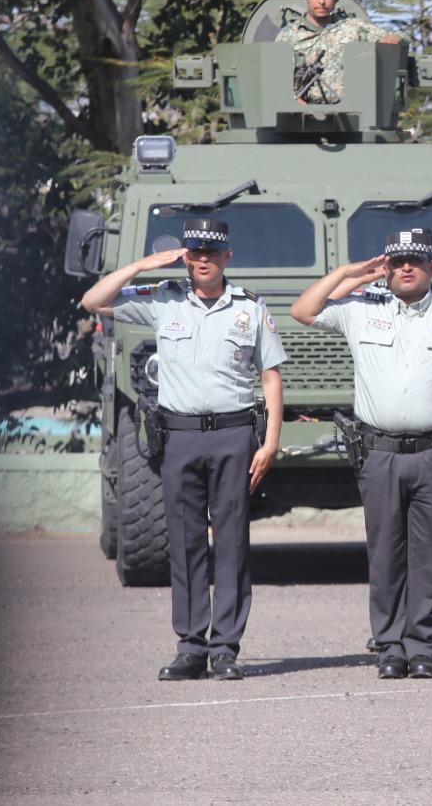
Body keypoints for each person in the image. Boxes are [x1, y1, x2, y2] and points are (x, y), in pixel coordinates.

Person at [80, 219, 285, 681]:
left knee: (231, 543)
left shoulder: (249, 308)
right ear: (186, 257)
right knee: (187, 543)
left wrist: (270, 440)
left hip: (234, 435)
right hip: (179, 437)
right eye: (195, 252)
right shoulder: (162, 299)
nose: (203, 260)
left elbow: (271, 375)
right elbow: (94, 301)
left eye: (212, 252)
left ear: (227, 256)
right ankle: (191, 647)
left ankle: (226, 649)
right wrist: (144, 264)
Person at [289, 228, 432, 680]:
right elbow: (303, 311)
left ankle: (423, 644)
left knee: (431, 553)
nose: (405, 267)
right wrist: (350, 272)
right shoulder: (361, 309)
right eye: (397, 260)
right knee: (384, 554)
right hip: (378, 452)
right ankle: (389, 646)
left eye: (415, 260)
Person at [275, 0, 403, 104]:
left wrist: (396, 38)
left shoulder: (354, 28)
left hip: (350, 116)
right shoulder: (287, 37)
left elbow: (397, 38)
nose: (322, 1)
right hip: (301, 117)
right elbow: (276, 79)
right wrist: (294, 100)